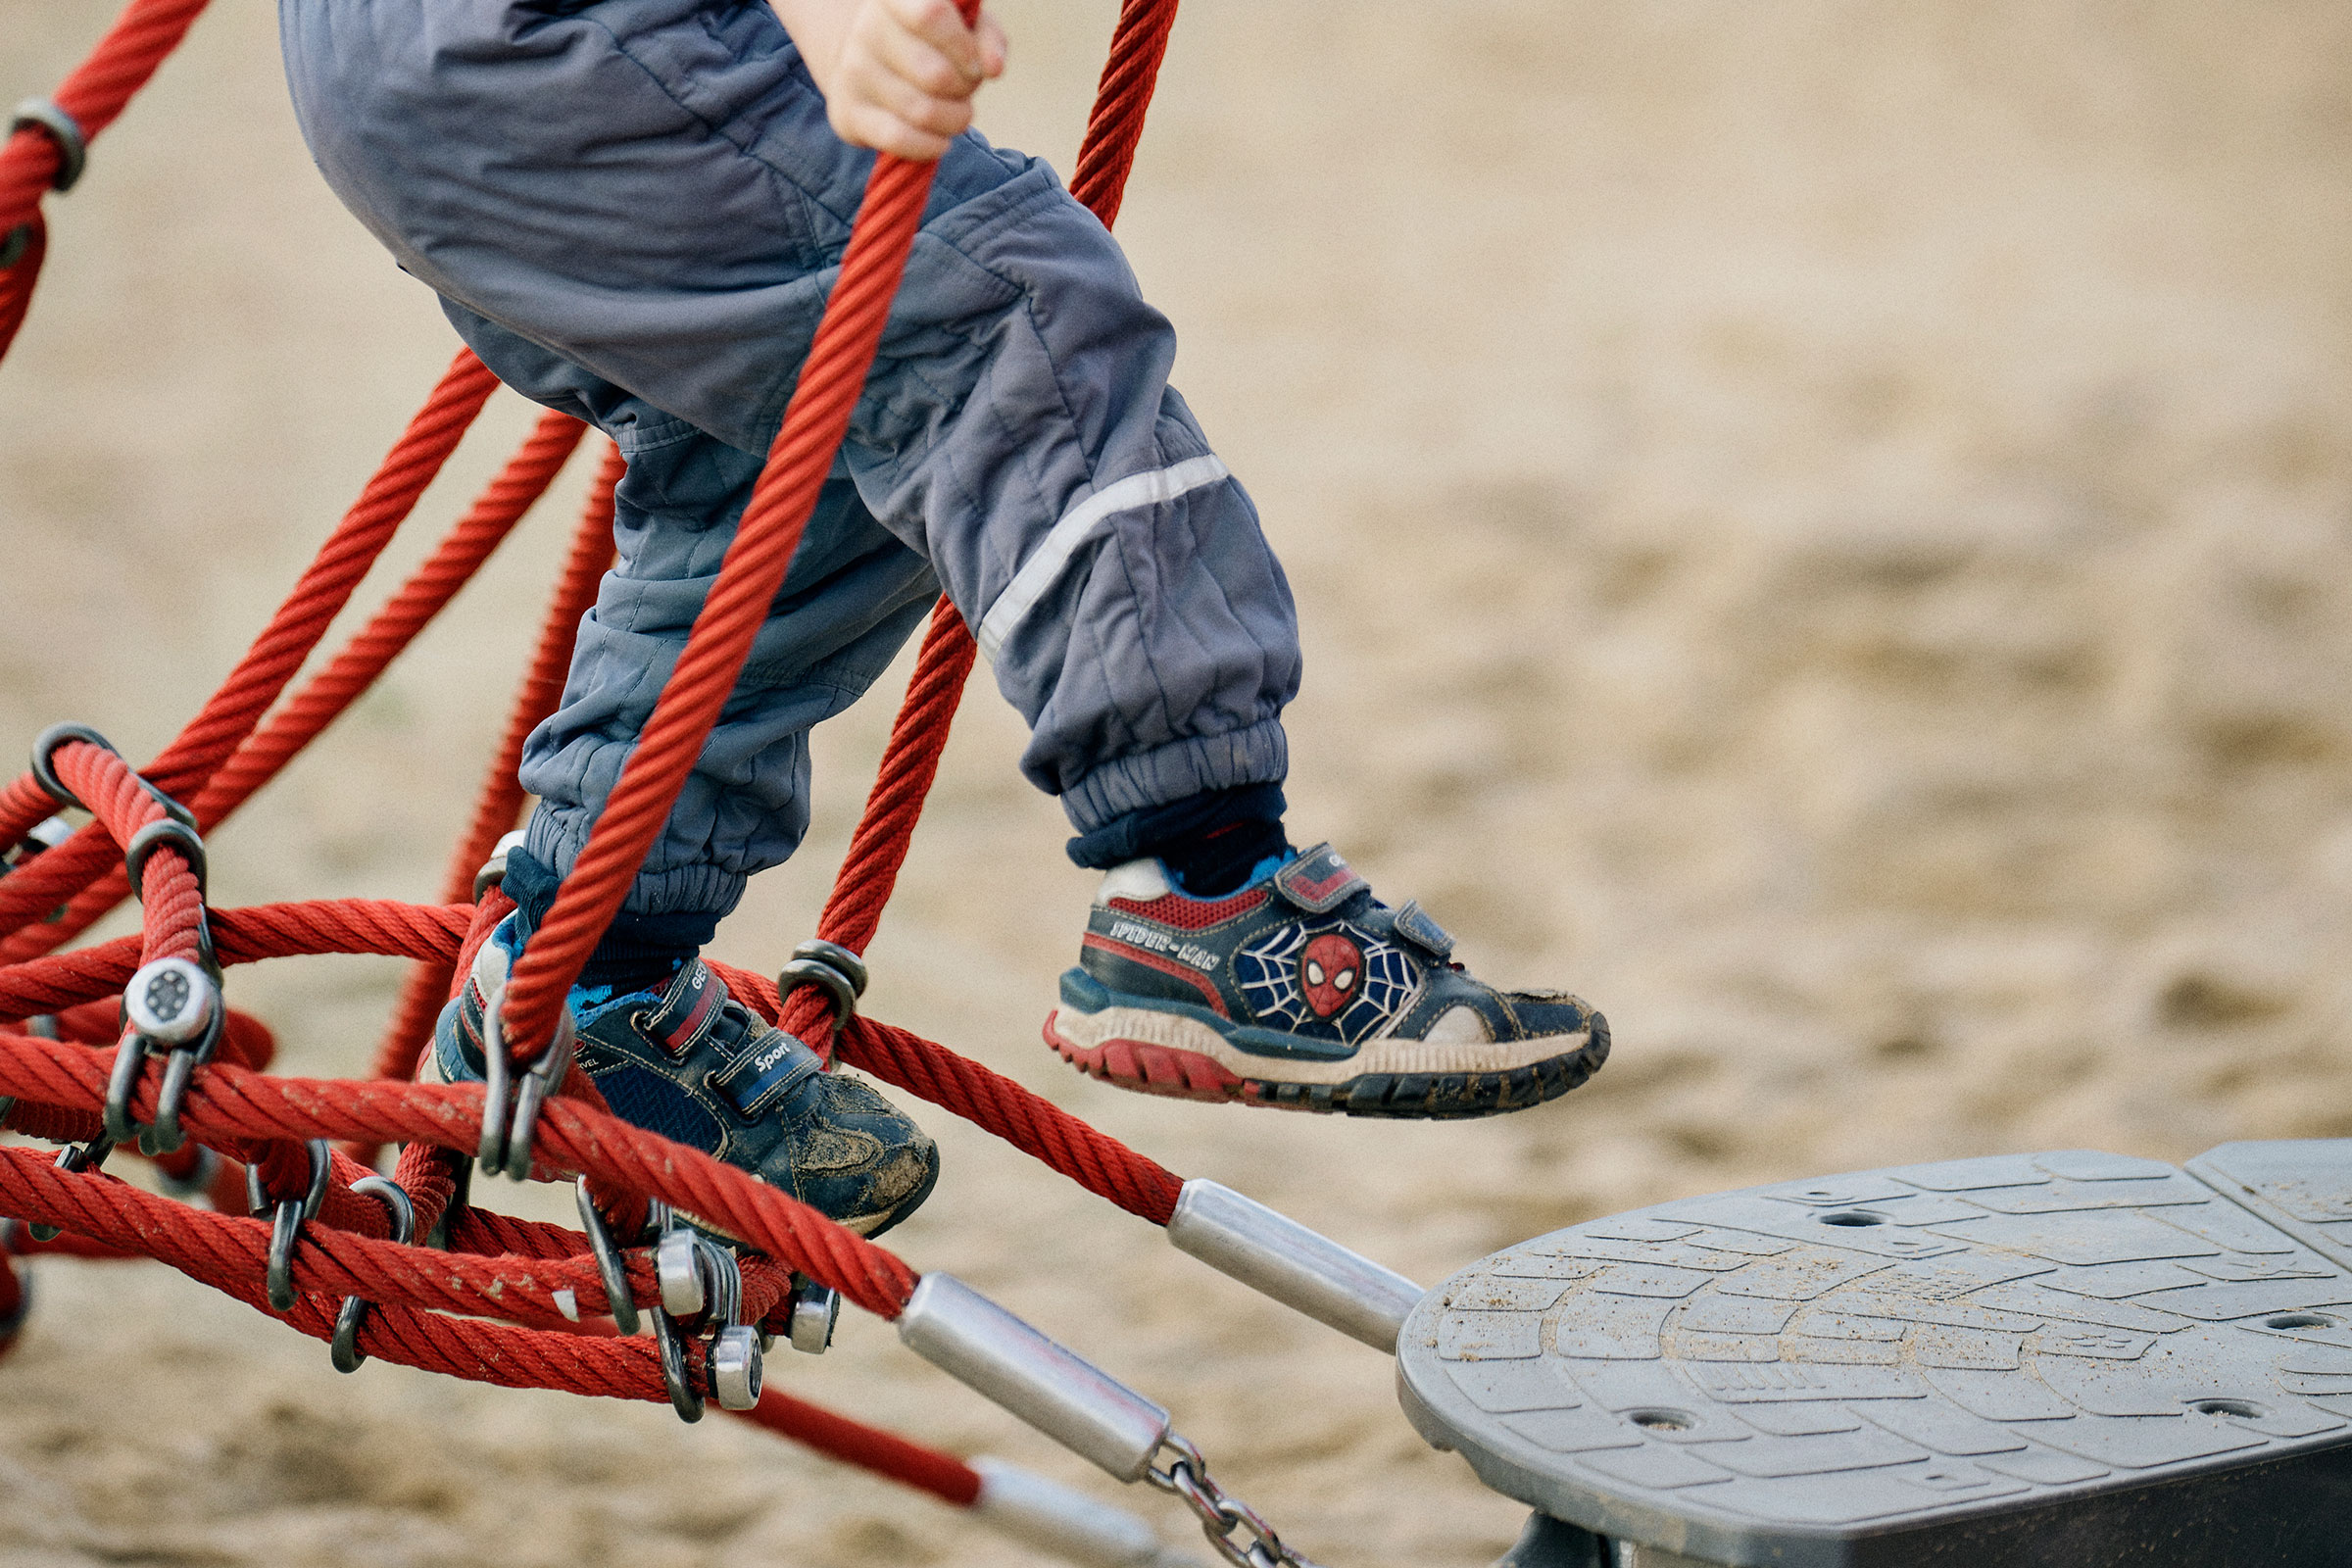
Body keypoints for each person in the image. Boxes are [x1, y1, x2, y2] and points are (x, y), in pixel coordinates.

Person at [277, 0, 1607, 1237]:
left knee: (804, 462)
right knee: (1000, 313)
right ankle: (1204, 884)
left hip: (420, 78)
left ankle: (590, 978)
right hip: (552, 40)